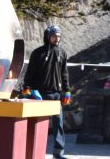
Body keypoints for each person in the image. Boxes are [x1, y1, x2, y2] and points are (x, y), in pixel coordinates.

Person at [22, 25, 71, 159]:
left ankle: (58, 153)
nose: (57, 38)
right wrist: (28, 88)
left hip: (56, 94)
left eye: (59, 36)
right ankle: (31, 152)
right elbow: (30, 72)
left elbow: (64, 73)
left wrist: (67, 90)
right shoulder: (38, 53)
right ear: (48, 36)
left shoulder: (62, 53)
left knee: (59, 124)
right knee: (35, 124)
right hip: (39, 94)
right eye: (54, 36)